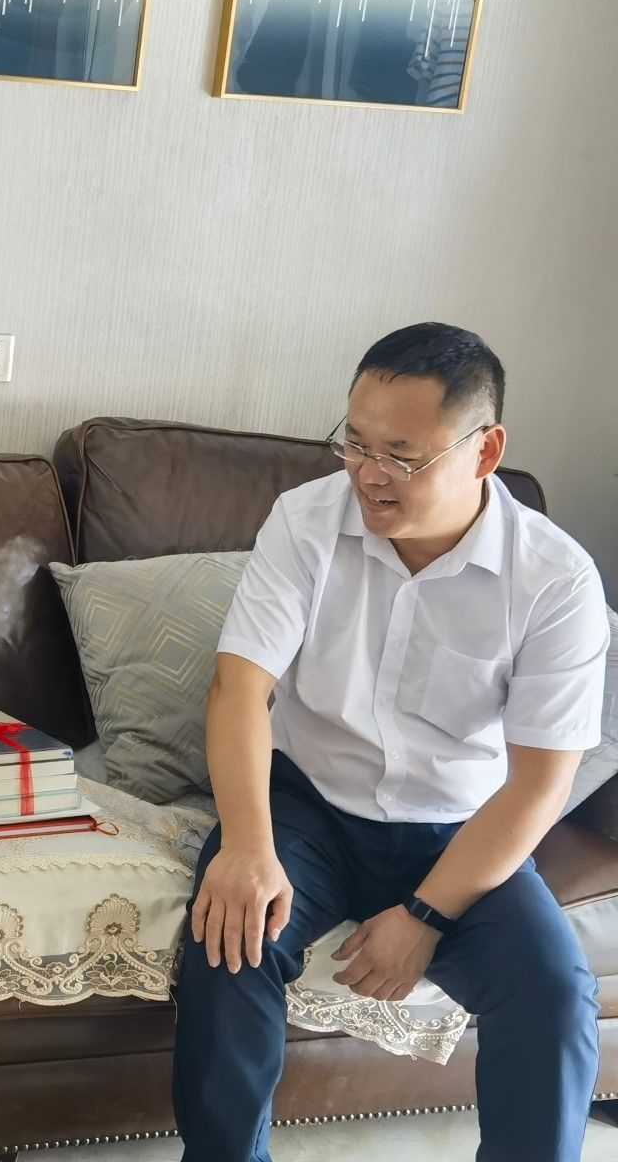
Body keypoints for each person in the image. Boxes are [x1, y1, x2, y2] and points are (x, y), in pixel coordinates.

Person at [172, 323, 609, 1161]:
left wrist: (426, 916)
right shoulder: (305, 521)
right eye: (356, 443)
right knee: (228, 939)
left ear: (485, 452)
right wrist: (249, 847)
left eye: (402, 456)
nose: (368, 473)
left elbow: (539, 785)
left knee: (554, 996)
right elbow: (239, 688)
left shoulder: (555, 582)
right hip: (306, 805)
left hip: (459, 830)